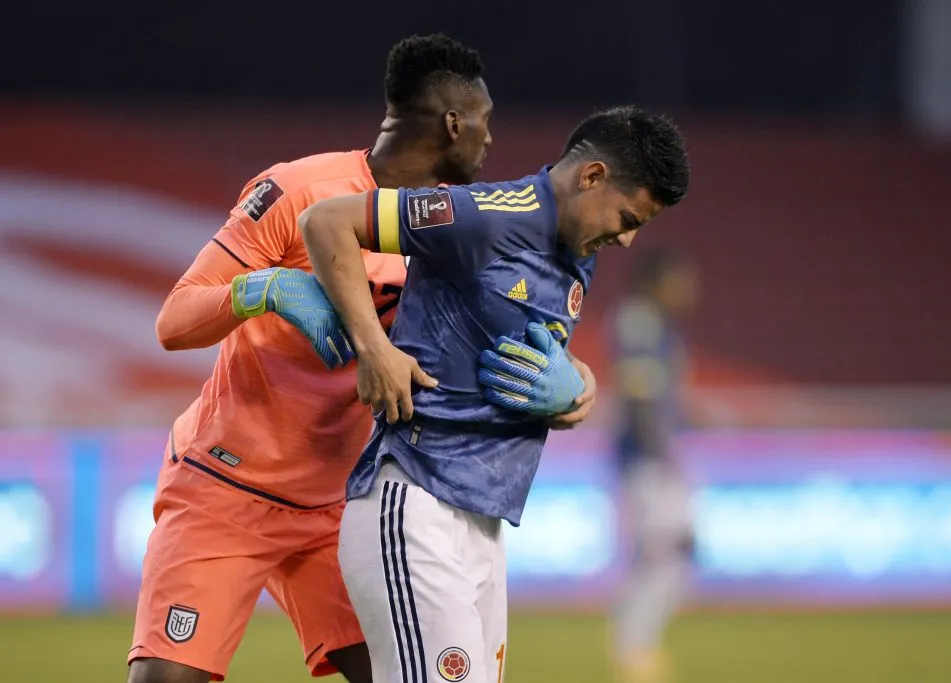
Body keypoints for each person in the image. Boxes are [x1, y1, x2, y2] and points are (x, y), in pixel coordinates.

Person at [128, 34, 596, 683]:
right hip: (226, 485)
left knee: (404, 673)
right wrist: (263, 289)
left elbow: (524, 341)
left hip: (341, 504)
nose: (491, 143)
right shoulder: (295, 190)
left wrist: (577, 384)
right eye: (485, 123)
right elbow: (174, 321)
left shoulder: (453, 227)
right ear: (453, 123)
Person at [298, 104, 690, 683]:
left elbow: (525, 353)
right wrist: (375, 350)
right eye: (629, 216)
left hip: (483, 524)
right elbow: (326, 221)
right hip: (415, 500)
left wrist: (579, 387)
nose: (629, 240)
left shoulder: (578, 255)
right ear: (592, 177)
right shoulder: (484, 214)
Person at [609, 253, 699, 683]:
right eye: (679, 281)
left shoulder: (658, 326)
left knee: (674, 549)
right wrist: (661, 458)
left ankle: (638, 641)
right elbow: (640, 397)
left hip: (657, 457)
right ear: (658, 281)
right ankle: (634, 645)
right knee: (663, 550)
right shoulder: (638, 323)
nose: (687, 291)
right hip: (646, 460)